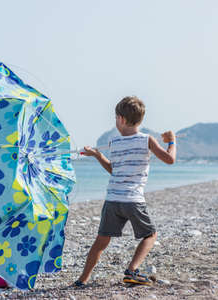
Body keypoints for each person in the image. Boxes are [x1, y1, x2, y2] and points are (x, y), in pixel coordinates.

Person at [73, 96, 177, 287]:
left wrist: (98, 155)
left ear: (120, 119)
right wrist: (171, 142)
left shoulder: (115, 142)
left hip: (112, 199)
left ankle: (82, 279)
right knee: (150, 235)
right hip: (133, 199)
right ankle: (132, 270)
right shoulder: (147, 140)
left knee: (101, 241)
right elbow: (170, 159)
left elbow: (113, 170)